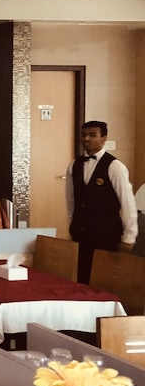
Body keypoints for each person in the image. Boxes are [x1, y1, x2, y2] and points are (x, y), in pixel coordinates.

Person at [65, 120, 137, 283]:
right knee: (81, 278)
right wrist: (71, 225)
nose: (86, 139)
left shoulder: (115, 166)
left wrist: (129, 236)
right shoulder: (73, 166)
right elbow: (71, 201)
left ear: (104, 138)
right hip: (81, 233)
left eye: (92, 135)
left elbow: (127, 203)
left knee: (103, 280)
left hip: (106, 234)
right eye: (84, 135)